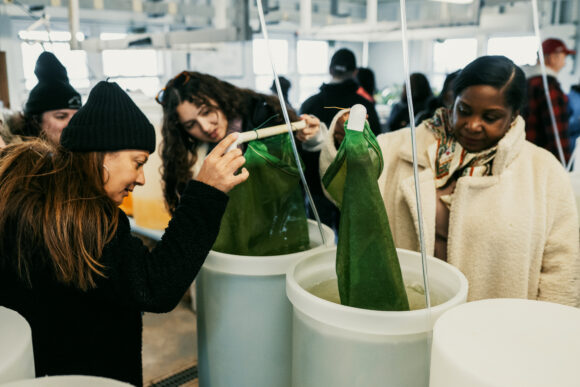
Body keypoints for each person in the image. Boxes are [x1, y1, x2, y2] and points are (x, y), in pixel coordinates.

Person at [0, 80, 248, 386]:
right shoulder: (88, 221)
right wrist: (204, 194)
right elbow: (155, 286)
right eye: (138, 162)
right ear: (103, 154)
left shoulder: (35, 201)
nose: (141, 178)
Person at [321, 55, 580, 307]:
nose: (473, 125)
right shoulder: (401, 148)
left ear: (514, 116)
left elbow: (563, 266)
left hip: (491, 329)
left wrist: (548, 328)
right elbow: (347, 191)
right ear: (451, 101)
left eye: (490, 118)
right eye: (464, 110)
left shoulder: (542, 172)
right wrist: (345, 145)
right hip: (407, 315)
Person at [155, 71, 323, 214]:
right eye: (191, 125)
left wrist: (312, 137)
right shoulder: (190, 155)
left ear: (218, 97)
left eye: (206, 112)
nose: (206, 127)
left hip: (281, 221)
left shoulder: (264, 113)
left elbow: (304, 168)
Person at [299, 48, 380, 234]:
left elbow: (300, 147)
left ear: (330, 69)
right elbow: (375, 145)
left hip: (317, 185)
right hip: (352, 185)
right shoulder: (363, 106)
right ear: (355, 72)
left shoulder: (310, 103)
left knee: (321, 240)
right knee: (350, 241)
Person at [0, 51, 81, 146]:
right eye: (61, 117)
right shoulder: (15, 158)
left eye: (77, 117)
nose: (73, 124)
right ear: (35, 121)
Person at [522, 38, 575, 163]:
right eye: (564, 58)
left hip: (525, 156)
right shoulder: (548, 87)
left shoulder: (527, 83)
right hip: (543, 161)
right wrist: (563, 164)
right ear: (553, 58)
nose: (565, 63)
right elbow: (557, 130)